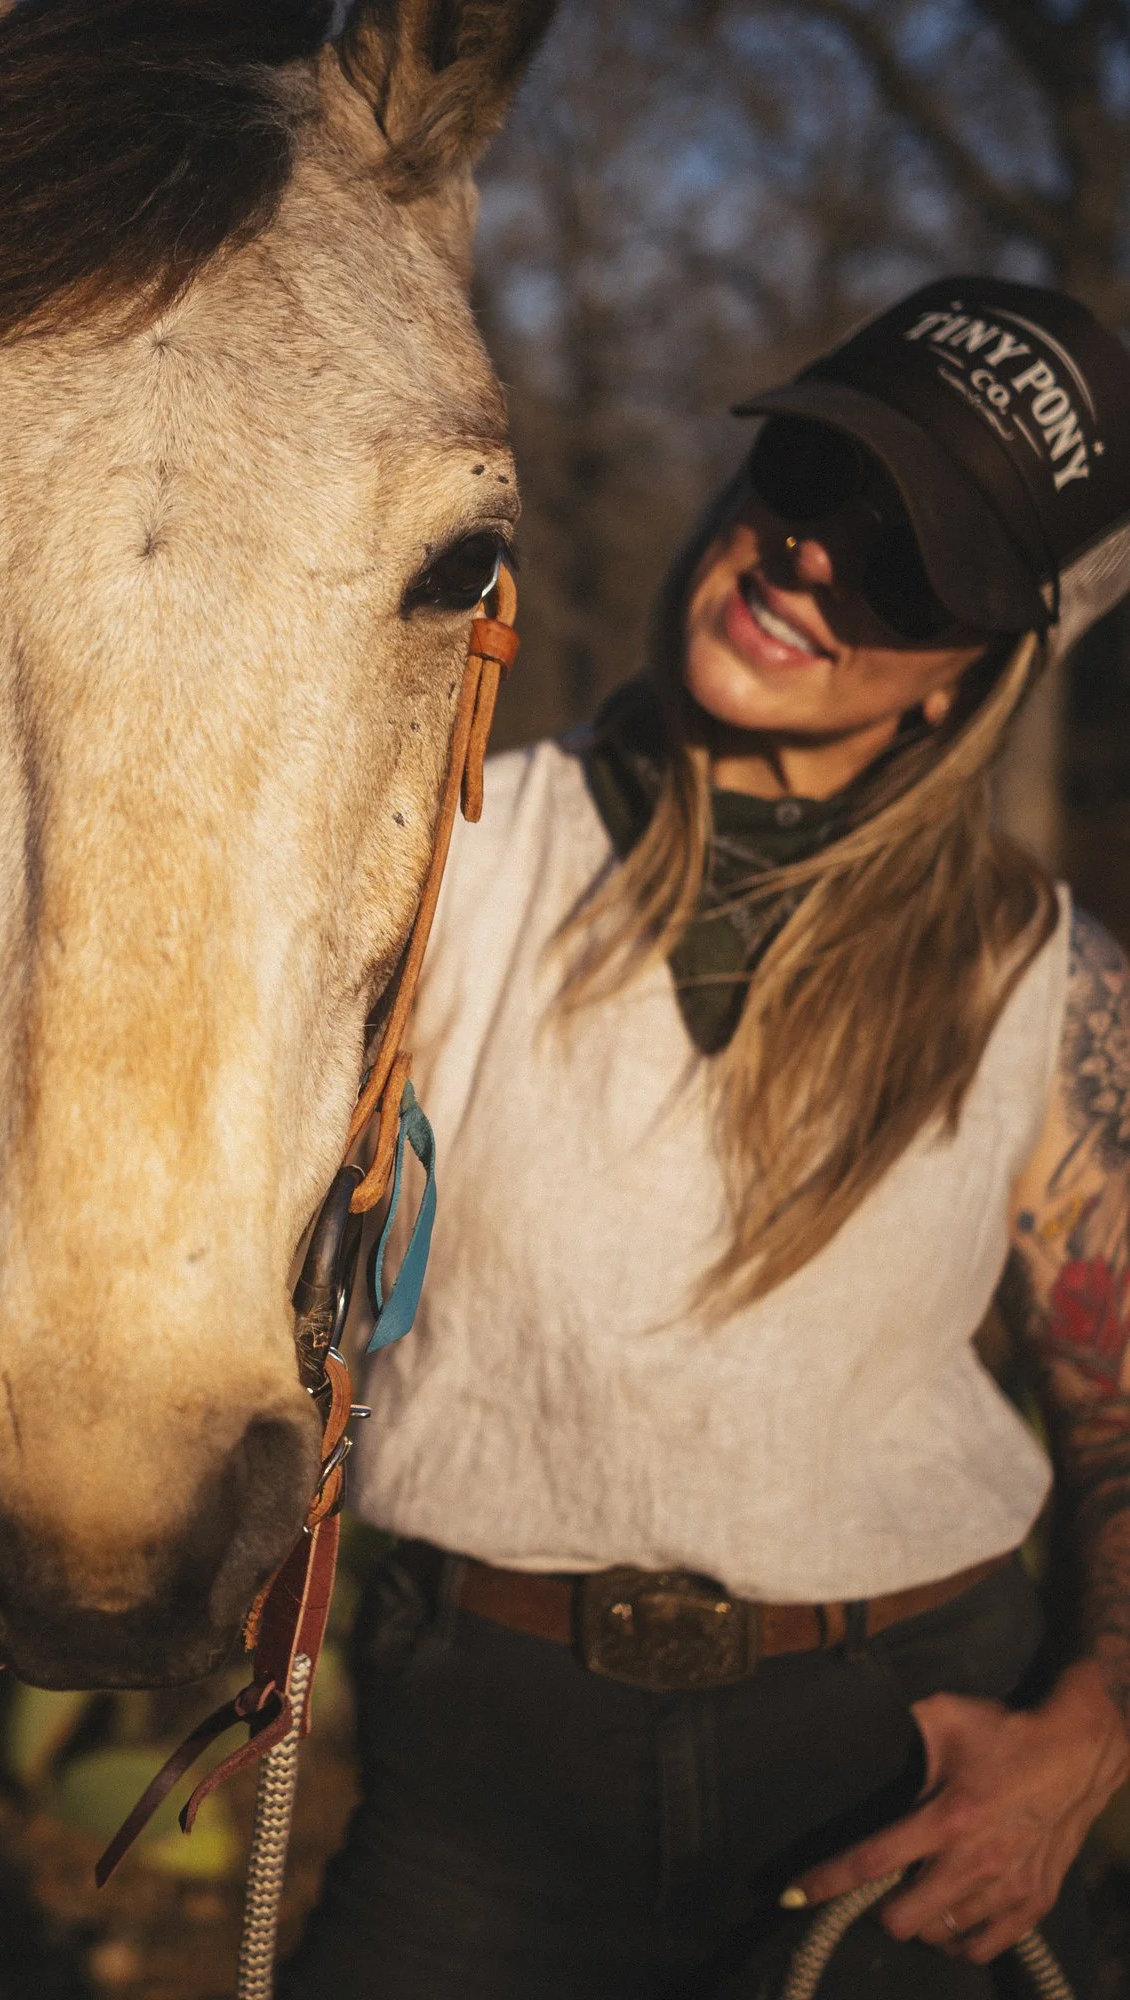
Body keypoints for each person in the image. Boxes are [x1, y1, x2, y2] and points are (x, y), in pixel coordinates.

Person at [290, 277, 1130, 1999]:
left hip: (900, 1769)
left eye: (911, 564)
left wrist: (1089, 1738)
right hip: (479, 1783)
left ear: (979, 663)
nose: (816, 558)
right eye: (819, 476)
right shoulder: (436, 864)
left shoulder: (1044, 980)